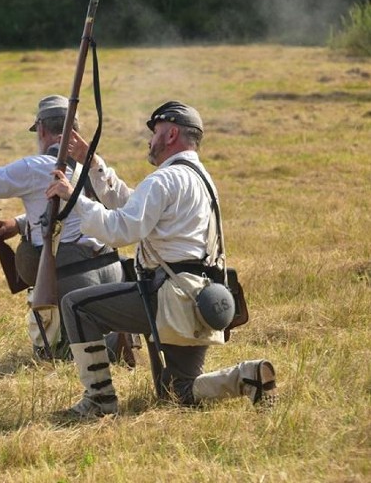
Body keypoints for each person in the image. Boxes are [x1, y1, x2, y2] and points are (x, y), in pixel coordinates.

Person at [45, 100, 277, 422]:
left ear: (170, 135)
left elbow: (119, 229)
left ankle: (99, 401)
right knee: (177, 392)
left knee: (75, 306)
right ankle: (246, 376)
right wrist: (93, 163)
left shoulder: (163, 181)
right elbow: (134, 208)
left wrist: (74, 199)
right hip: (198, 300)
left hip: (167, 298)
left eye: (154, 133)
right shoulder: (201, 179)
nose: (150, 141)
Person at [0, 95, 130, 361]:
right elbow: (75, 208)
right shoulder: (92, 165)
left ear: (41, 130)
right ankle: (114, 336)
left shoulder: (38, 166)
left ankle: (110, 345)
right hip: (109, 268)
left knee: (52, 354)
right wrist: (20, 224)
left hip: (72, 271)